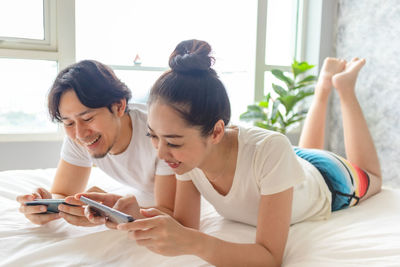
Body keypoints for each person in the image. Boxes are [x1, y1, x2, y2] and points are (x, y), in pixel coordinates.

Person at [79, 40, 382, 266]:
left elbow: (269, 257)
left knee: (375, 179)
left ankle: (343, 88)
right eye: (154, 137)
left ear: (216, 131)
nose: (161, 153)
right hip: (289, 168)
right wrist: (135, 215)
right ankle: (323, 89)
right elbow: (185, 221)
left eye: (172, 141)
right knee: (301, 152)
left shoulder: (269, 148)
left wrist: (193, 243)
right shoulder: (187, 157)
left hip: (325, 179)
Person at [16, 60, 176, 226]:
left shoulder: (159, 134)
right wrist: (46, 204)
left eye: (88, 118)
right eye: (68, 123)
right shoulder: (77, 136)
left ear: (119, 106)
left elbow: (170, 214)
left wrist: (112, 210)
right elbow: (62, 193)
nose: (80, 134)